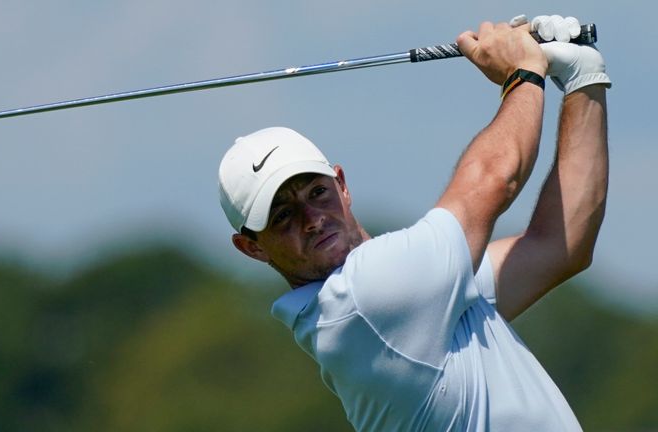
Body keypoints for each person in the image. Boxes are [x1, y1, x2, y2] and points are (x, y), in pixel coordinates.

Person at [217, 14, 610, 431]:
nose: (311, 220)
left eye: (316, 192)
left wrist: (583, 80)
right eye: (282, 216)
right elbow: (495, 179)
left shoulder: (417, 300)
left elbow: (559, 247)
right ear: (252, 248)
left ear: (342, 185)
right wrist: (523, 73)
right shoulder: (365, 298)